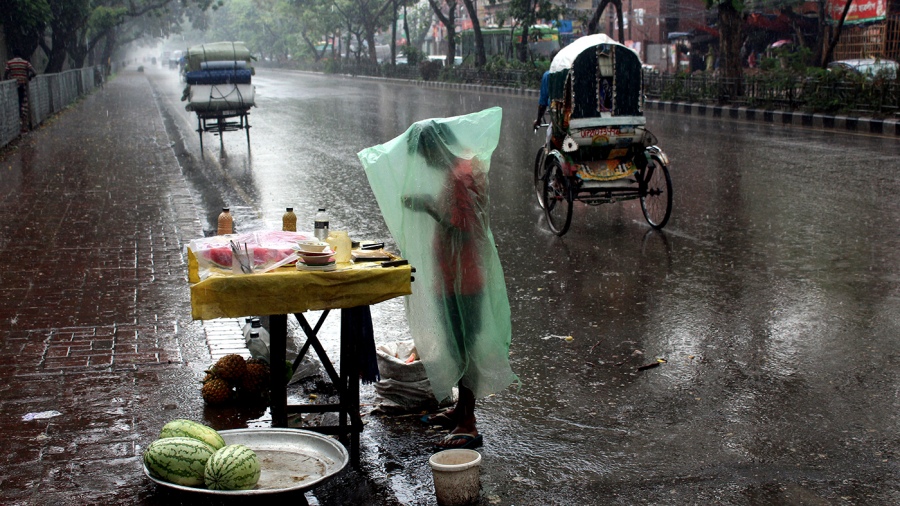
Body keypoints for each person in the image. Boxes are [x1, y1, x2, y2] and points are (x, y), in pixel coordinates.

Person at [400, 121, 509, 451]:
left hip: (464, 277)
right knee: (457, 342)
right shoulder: (459, 170)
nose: (426, 162)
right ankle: (460, 409)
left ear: (436, 148)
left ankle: (468, 423)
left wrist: (426, 205)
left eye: (426, 155)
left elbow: (464, 226)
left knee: (465, 347)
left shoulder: (461, 175)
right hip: (454, 273)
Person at [4, 53, 37, 132]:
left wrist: (9, 80)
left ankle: (14, 127)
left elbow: (5, 75)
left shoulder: (9, 63)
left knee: (14, 105)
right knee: (23, 104)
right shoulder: (25, 63)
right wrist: (28, 78)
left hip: (13, 87)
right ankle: (24, 126)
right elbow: (34, 72)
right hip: (23, 85)